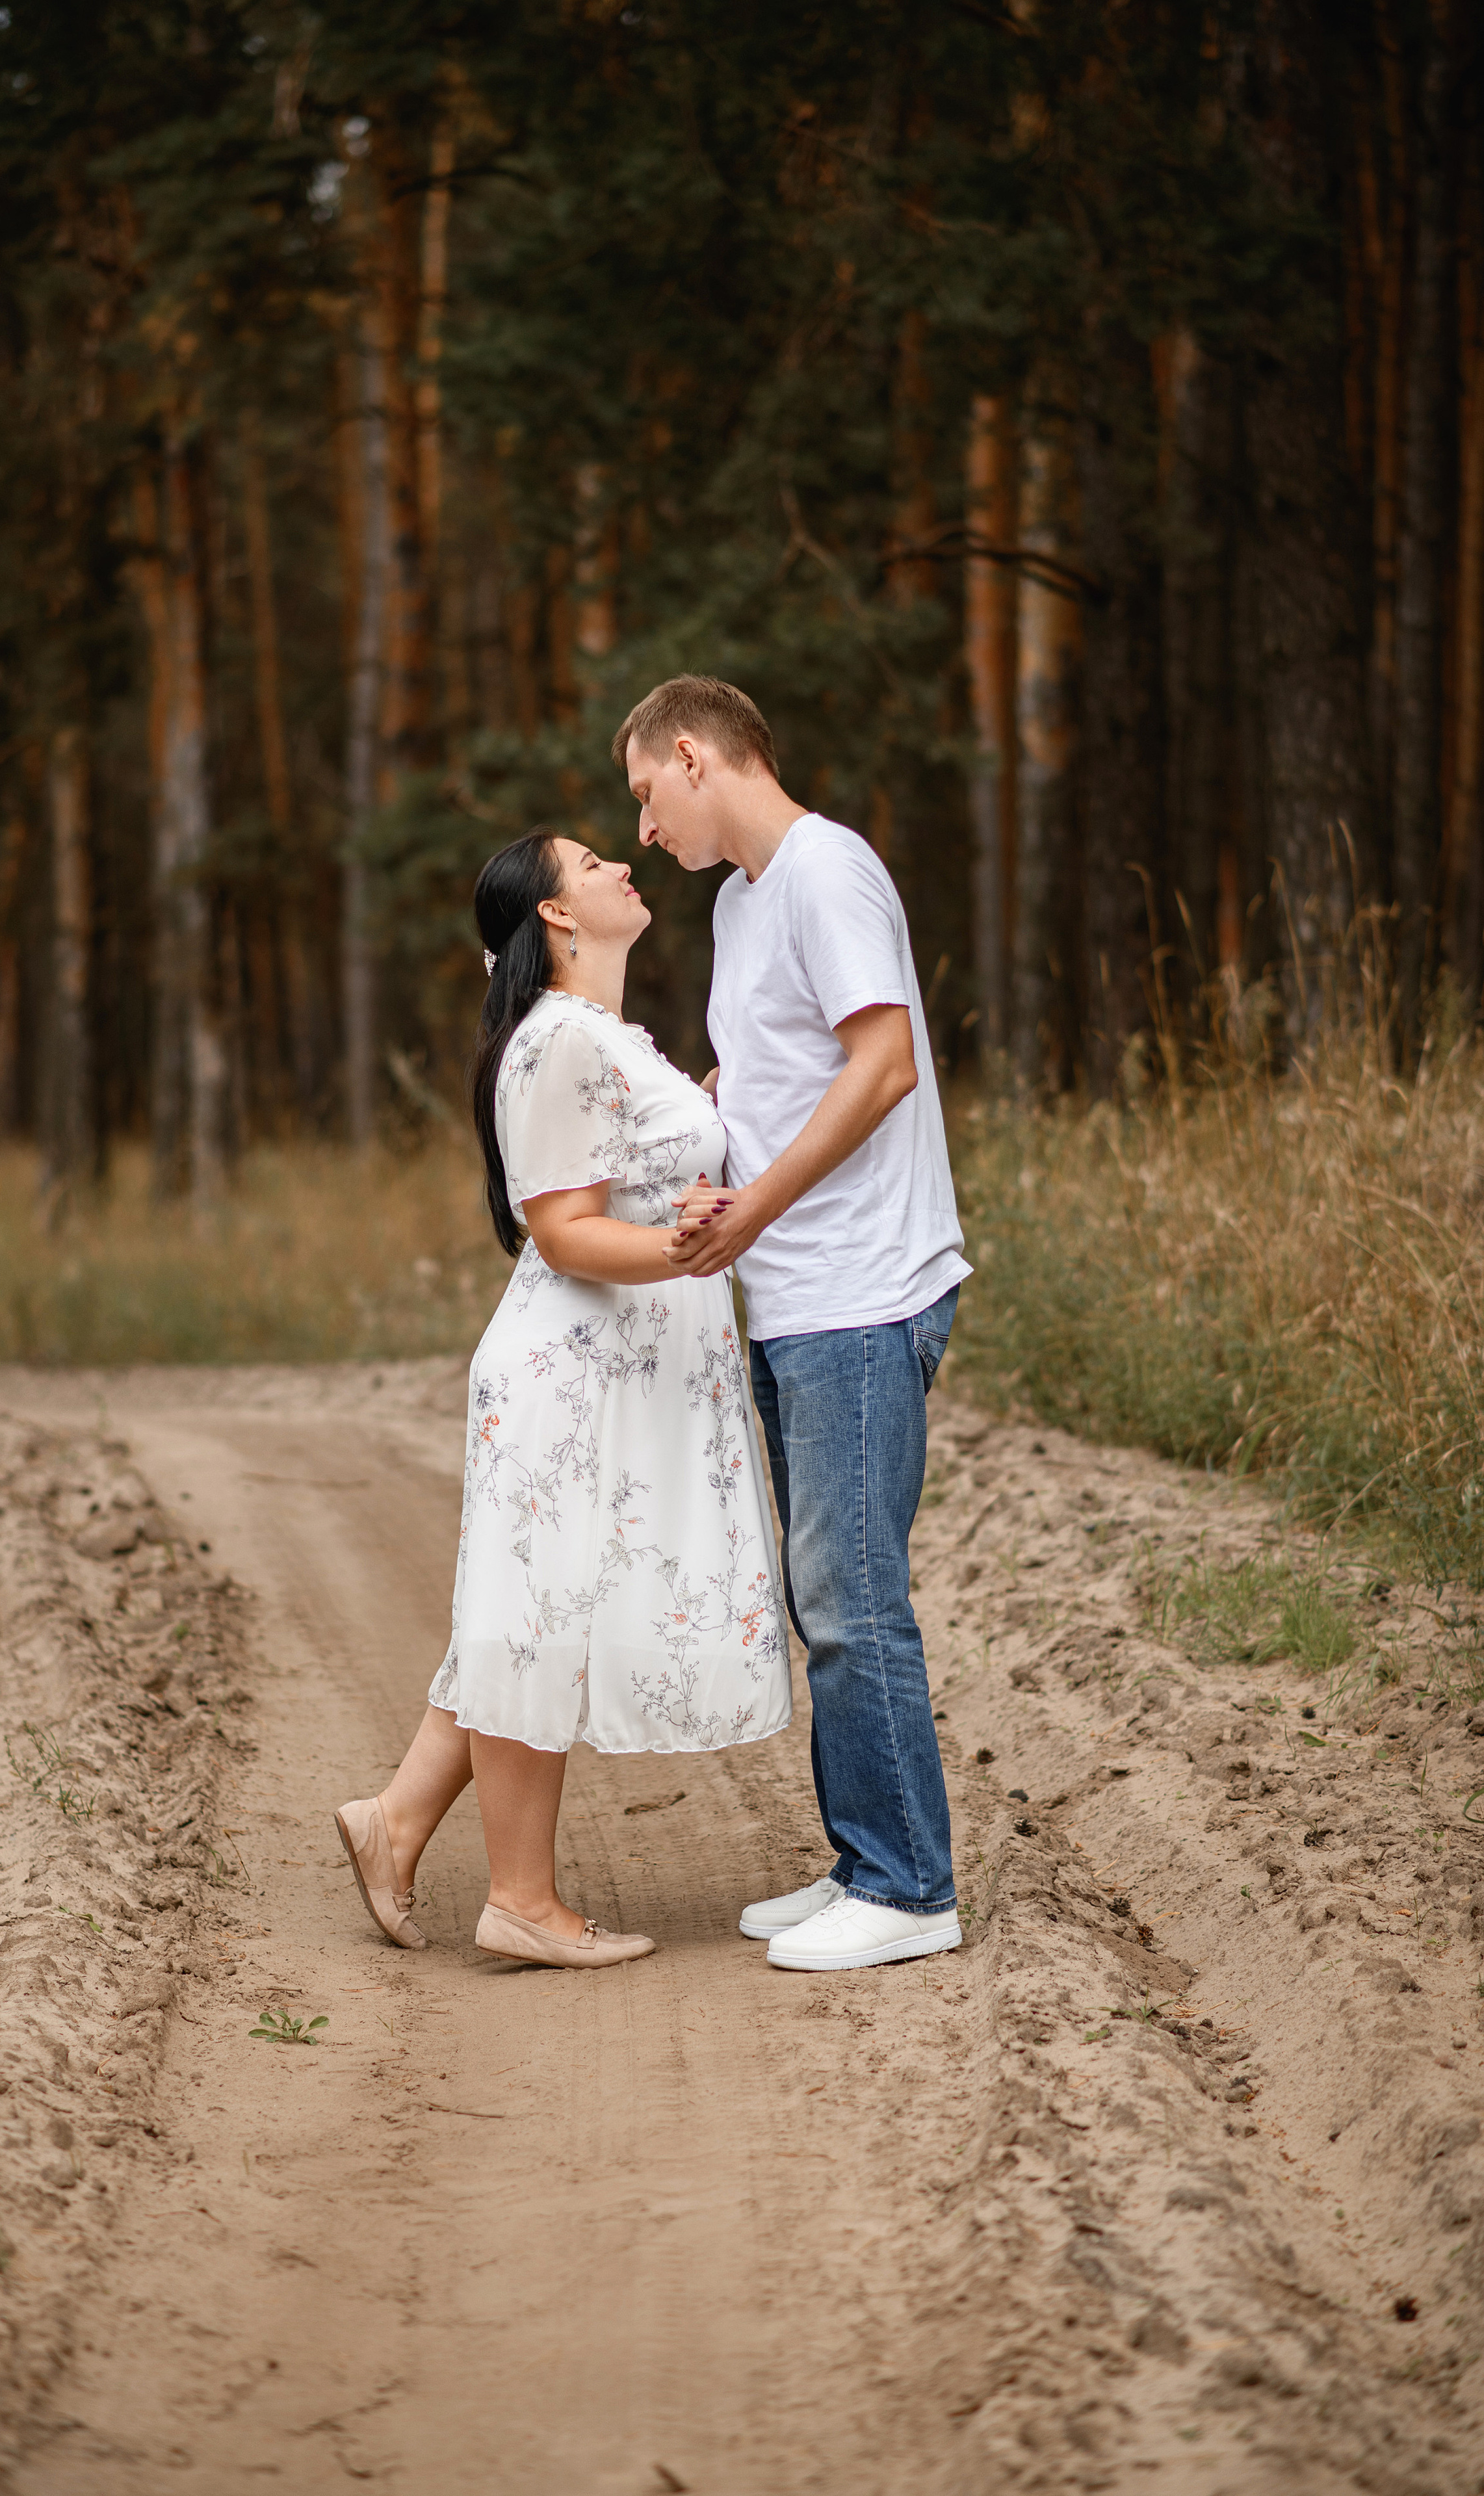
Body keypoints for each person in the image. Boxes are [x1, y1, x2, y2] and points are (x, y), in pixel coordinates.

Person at [334, 827, 791, 1970]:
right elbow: (564, 1231)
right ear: (554, 915)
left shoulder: (603, 1039)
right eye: (593, 863)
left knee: (539, 1602)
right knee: (537, 1615)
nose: (621, 866)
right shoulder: (554, 1041)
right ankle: (521, 1903)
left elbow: (644, 1157)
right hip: (570, 1374)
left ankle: (393, 1822)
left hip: (611, 1373)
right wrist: (694, 1249)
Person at [615, 675, 971, 1973]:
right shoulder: (741, 901)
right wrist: (714, 1147)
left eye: (647, 795)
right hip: (799, 1295)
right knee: (823, 1590)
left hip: (862, 1293)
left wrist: (751, 1209)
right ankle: (861, 1864)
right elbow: (774, 1069)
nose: (644, 830)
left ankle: (909, 1891)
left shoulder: (825, 871)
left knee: (852, 1595)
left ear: (696, 757)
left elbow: (882, 1064)